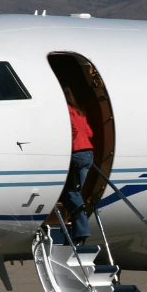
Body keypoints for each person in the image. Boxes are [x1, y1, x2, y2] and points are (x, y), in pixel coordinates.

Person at [61, 85, 93, 244]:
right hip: (88, 153)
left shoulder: (66, 109)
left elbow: (72, 129)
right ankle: (79, 231)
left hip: (76, 153)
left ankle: (81, 230)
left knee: (70, 193)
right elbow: (90, 133)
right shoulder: (79, 110)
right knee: (79, 193)